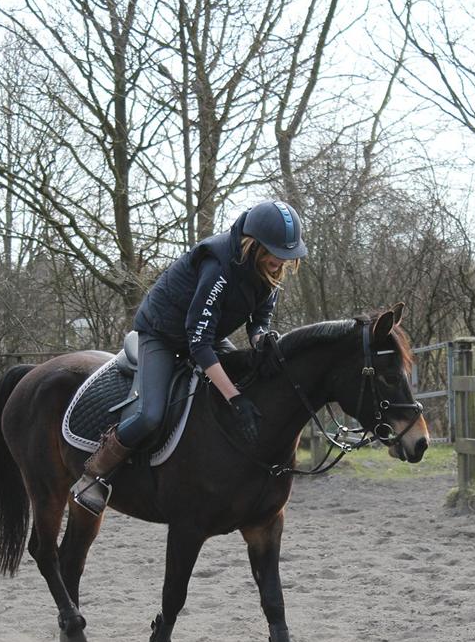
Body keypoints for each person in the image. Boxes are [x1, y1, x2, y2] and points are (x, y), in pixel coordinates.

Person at [71, 199, 307, 515]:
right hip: (163, 335)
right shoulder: (219, 265)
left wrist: (261, 338)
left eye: (286, 255)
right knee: (149, 415)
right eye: (277, 253)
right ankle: (94, 473)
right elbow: (199, 345)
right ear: (255, 244)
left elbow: (259, 320)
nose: (282, 261)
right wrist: (234, 398)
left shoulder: (269, 268)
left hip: (205, 335)